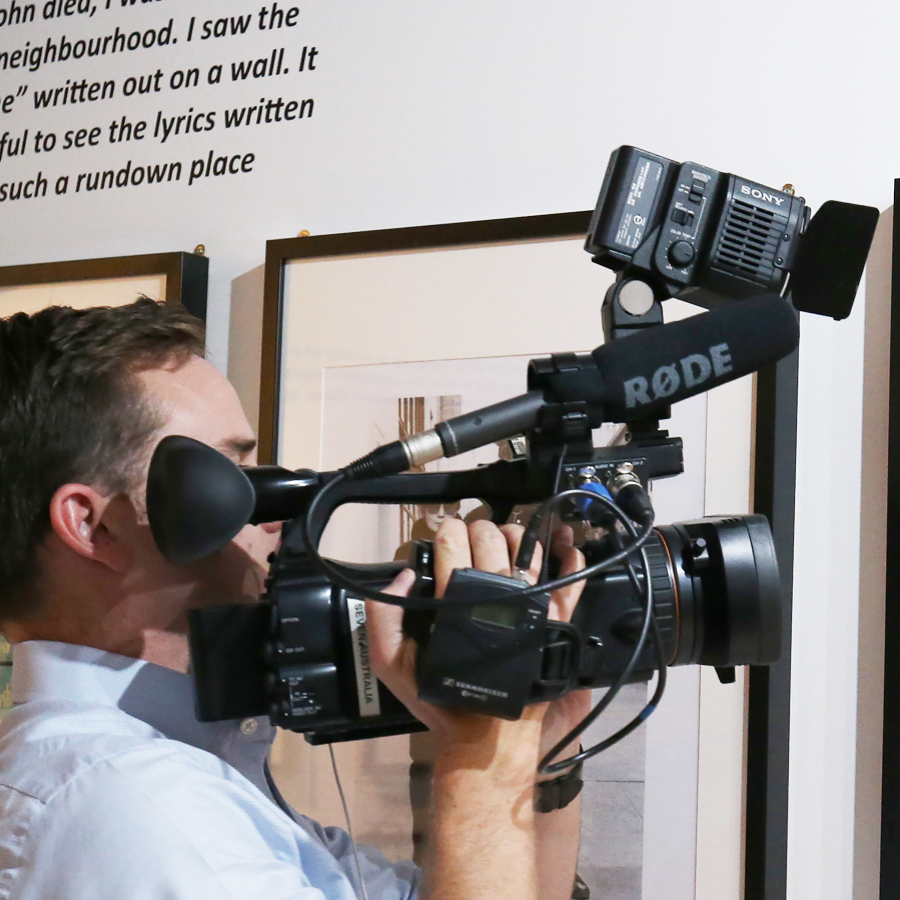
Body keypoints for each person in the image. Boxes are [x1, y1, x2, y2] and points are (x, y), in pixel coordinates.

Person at [0, 299, 589, 900]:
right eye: (232, 471)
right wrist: (480, 754)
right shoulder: (131, 804)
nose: (275, 514)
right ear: (95, 526)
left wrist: (539, 755)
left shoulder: (181, 777)